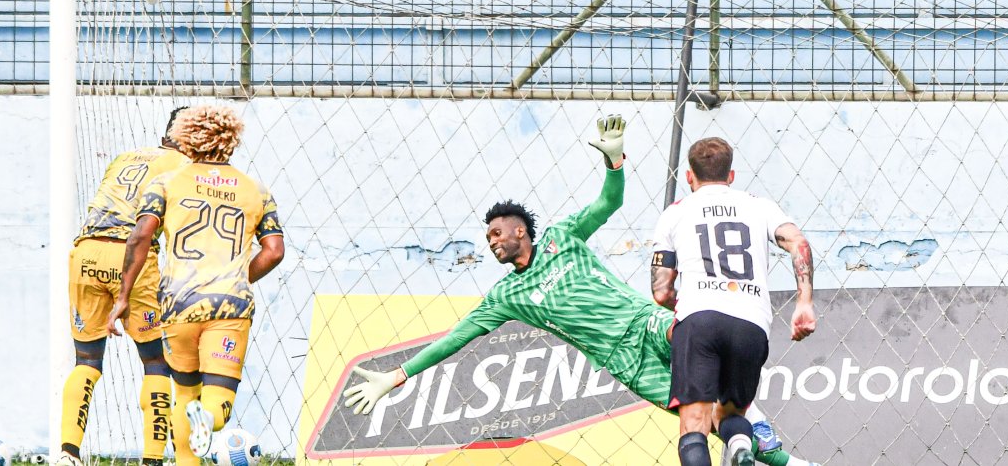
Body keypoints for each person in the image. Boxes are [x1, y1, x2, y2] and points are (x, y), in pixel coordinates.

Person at [343, 116, 812, 466]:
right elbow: (456, 337)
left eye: (496, 235)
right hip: (623, 359)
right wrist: (396, 376)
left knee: (708, 363)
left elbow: (610, 201)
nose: (491, 243)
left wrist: (613, 162)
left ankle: (762, 436)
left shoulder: (561, 236)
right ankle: (776, 457)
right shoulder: (507, 296)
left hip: (644, 322)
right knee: (706, 418)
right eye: (488, 240)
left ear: (520, 232)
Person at [106, 105, 285, 466]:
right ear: (231, 140)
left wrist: (123, 296)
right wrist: (238, 277)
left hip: (177, 306)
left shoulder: (166, 182)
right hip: (229, 308)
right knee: (217, 401)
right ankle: (209, 417)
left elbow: (140, 235)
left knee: (185, 394)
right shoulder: (256, 190)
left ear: (186, 139)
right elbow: (275, 251)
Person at [650, 137, 817, 466]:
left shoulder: (675, 214)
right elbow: (799, 243)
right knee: (730, 412)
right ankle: (740, 441)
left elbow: (661, 291)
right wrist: (805, 302)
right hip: (751, 322)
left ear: (689, 177)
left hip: (699, 318)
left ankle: (738, 444)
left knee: (694, 425)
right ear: (731, 175)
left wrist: (683, 307)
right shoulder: (759, 205)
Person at [58, 107, 191, 466]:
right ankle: (152, 458)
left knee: (86, 359)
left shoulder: (123, 157)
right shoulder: (185, 169)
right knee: (156, 363)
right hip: (130, 256)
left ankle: (68, 452)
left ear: (165, 136)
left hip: (86, 252)